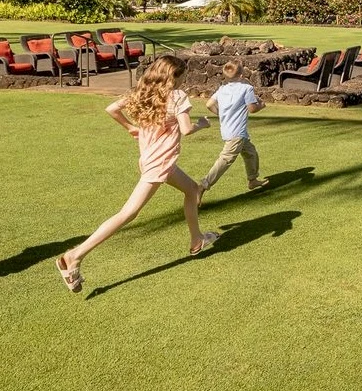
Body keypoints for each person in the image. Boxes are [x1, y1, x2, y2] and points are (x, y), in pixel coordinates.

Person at [55, 54, 218, 293]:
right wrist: (201, 124)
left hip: (155, 160)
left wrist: (130, 127)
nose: (183, 80)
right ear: (174, 76)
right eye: (182, 76)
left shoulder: (144, 91)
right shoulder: (177, 96)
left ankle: (197, 239)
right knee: (128, 213)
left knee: (192, 190)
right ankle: (74, 256)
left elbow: (112, 108)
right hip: (158, 164)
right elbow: (186, 129)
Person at [198, 60, 268, 203]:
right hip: (237, 133)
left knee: (250, 152)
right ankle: (203, 185)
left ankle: (253, 180)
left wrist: (221, 114)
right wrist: (261, 105)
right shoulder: (246, 88)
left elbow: (209, 104)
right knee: (226, 159)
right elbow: (252, 108)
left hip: (229, 130)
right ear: (241, 75)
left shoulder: (222, 89)